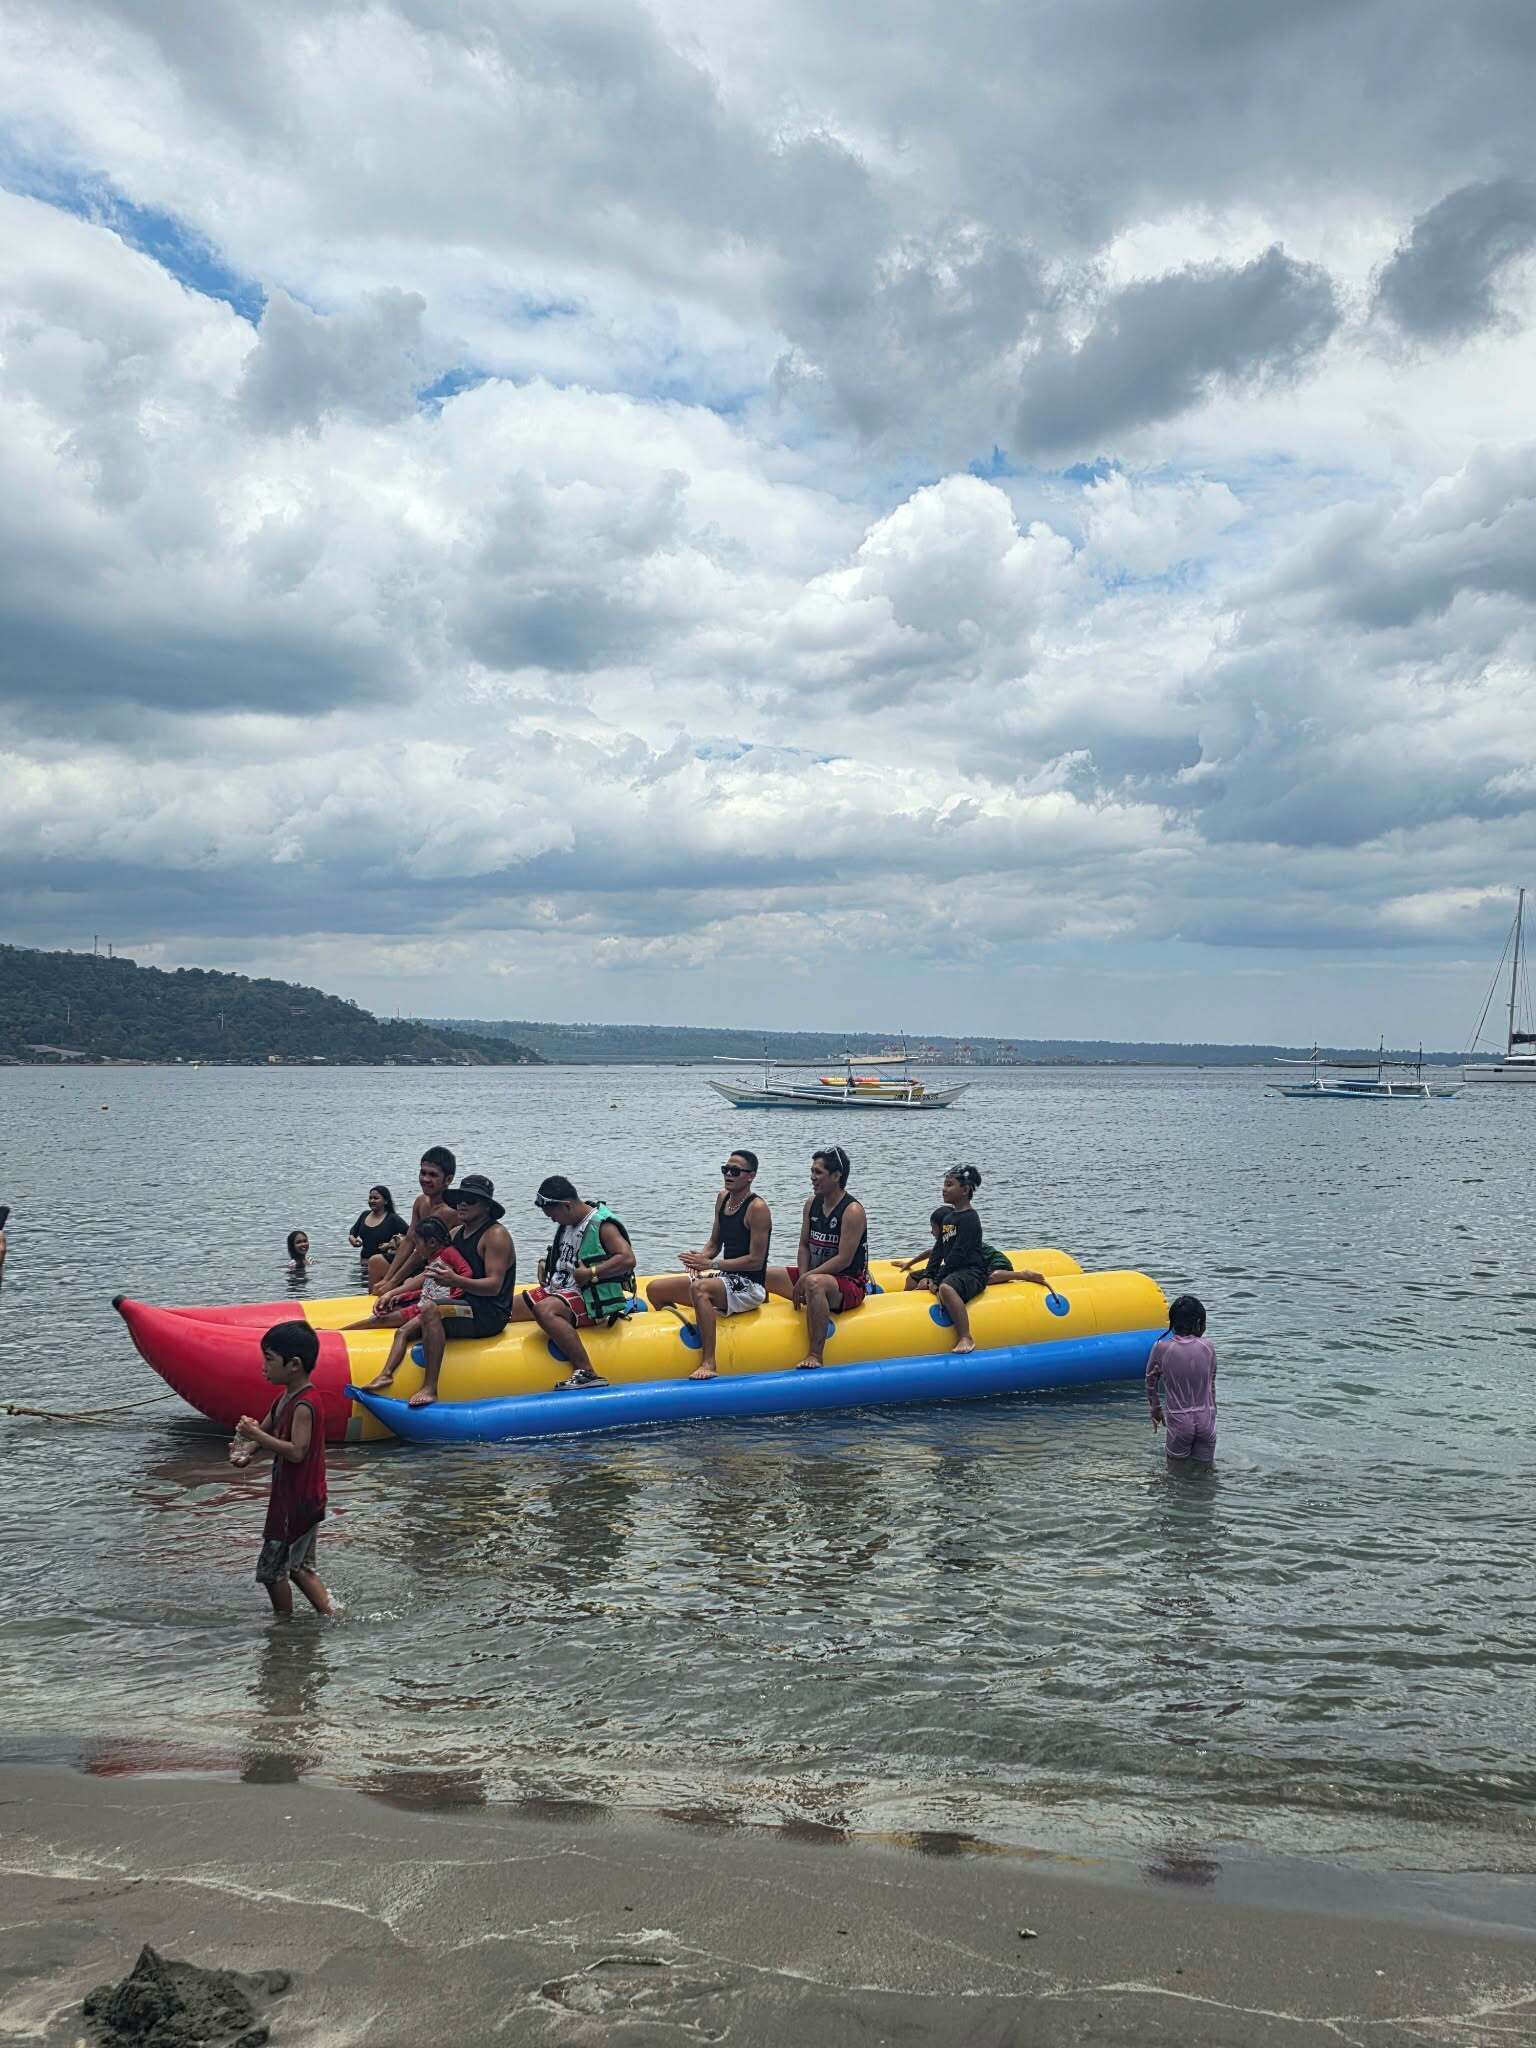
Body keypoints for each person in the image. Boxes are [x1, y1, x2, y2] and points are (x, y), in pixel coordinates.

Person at [362, 1175, 515, 1407]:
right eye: (460, 1199)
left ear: (486, 1207)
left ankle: (430, 1387)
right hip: (460, 1305)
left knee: (431, 1309)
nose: (462, 1204)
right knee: (399, 1314)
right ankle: (381, 1369)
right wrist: (393, 1292)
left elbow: (494, 1286)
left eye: (470, 1200)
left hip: (487, 1314)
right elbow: (430, 1273)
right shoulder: (455, 1234)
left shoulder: (495, 1236)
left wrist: (455, 1280)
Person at [230, 1320, 334, 1619]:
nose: (263, 1366)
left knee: (288, 1568)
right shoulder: (285, 1398)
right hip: (289, 1498)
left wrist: (256, 1437)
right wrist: (245, 1452)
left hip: (301, 1500)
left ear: (294, 1365)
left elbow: (297, 1451)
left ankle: (321, 1620)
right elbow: (264, 1433)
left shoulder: (305, 1404)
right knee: (282, 1569)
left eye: (269, 1359)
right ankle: (294, 1622)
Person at [646, 1151, 771, 1380]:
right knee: (655, 1289)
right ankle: (679, 1339)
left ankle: (709, 1361)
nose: (728, 1175)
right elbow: (714, 1243)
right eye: (726, 1169)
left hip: (749, 1285)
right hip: (725, 1277)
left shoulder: (757, 1209)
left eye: (735, 1171)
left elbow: (756, 1261)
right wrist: (699, 1259)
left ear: (751, 1176)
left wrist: (710, 1263)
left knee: (699, 1289)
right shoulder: (723, 1198)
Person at [513, 1175, 637, 1390]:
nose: (551, 1219)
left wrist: (592, 1272)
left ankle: (587, 1371)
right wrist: (546, 1262)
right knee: (505, 1309)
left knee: (544, 1311)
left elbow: (628, 1259)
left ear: (567, 1205)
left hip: (588, 1296)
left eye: (552, 1214)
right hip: (560, 1288)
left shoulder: (602, 1225)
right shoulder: (568, 1222)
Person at [766, 1145, 869, 1371]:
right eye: (812, 1171)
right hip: (812, 1276)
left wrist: (808, 1278)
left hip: (847, 1283)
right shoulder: (812, 1203)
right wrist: (802, 1275)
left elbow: (843, 1259)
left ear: (836, 1176)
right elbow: (804, 1245)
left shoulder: (852, 1211)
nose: (812, 1177)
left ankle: (815, 1354)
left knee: (814, 1284)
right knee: (763, 1275)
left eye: (818, 1173)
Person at [896, 1166, 994, 1354]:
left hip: (971, 1272)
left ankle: (965, 1336)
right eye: (944, 1184)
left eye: (950, 1185)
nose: (943, 1189)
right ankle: (910, 1321)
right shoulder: (949, 1217)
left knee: (946, 1288)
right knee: (913, 1278)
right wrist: (928, 1275)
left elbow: (959, 1254)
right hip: (953, 1270)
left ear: (965, 1191)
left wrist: (937, 1280)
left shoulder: (970, 1219)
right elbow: (939, 1250)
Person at [344, 1217, 470, 1330]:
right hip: (426, 1304)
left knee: (379, 1321)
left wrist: (454, 1298)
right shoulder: (435, 1258)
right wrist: (403, 1295)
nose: (416, 1249)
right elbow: (431, 1288)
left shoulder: (448, 1253)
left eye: (417, 1244)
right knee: (390, 1309)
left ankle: (338, 1332)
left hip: (430, 1308)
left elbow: (466, 1273)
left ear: (432, 1243)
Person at [367, 1147, 457, 1295]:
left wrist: (392, 1282)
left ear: (448, 1179)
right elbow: (410, 1240)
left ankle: (389, 1301)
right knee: (376, 1262)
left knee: (397, 1282)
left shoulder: (450, 1211)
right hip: (421, 1261)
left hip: (438, 1268)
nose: (425, 1179)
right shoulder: (420, 1202)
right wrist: (387, 1279)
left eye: (433, 1175)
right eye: (423, 1173)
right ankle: (371, 1302)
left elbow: (420, 1253)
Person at [1146, 1294, 1217, 1466]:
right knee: (1206, 1471)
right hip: (1206, 1417)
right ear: (1199, 1323)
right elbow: (1211, 1384)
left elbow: (1150, 1382)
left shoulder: (1161, 1348)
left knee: (1176, 1474)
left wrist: (1155, 1409)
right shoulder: (1208, 1346)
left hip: (1179, 1420)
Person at [349, 1185, 408, 1269]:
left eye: (376, 1198)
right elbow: (353, 1231)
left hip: (383, 1265)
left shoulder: (392, 1218)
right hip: (363, 1265)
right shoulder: (364, 1215)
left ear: (386, 1201)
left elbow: (411, 1236)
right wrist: (352, 1238)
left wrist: (390, 1245)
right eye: (370, 1198)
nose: (372, 1200)